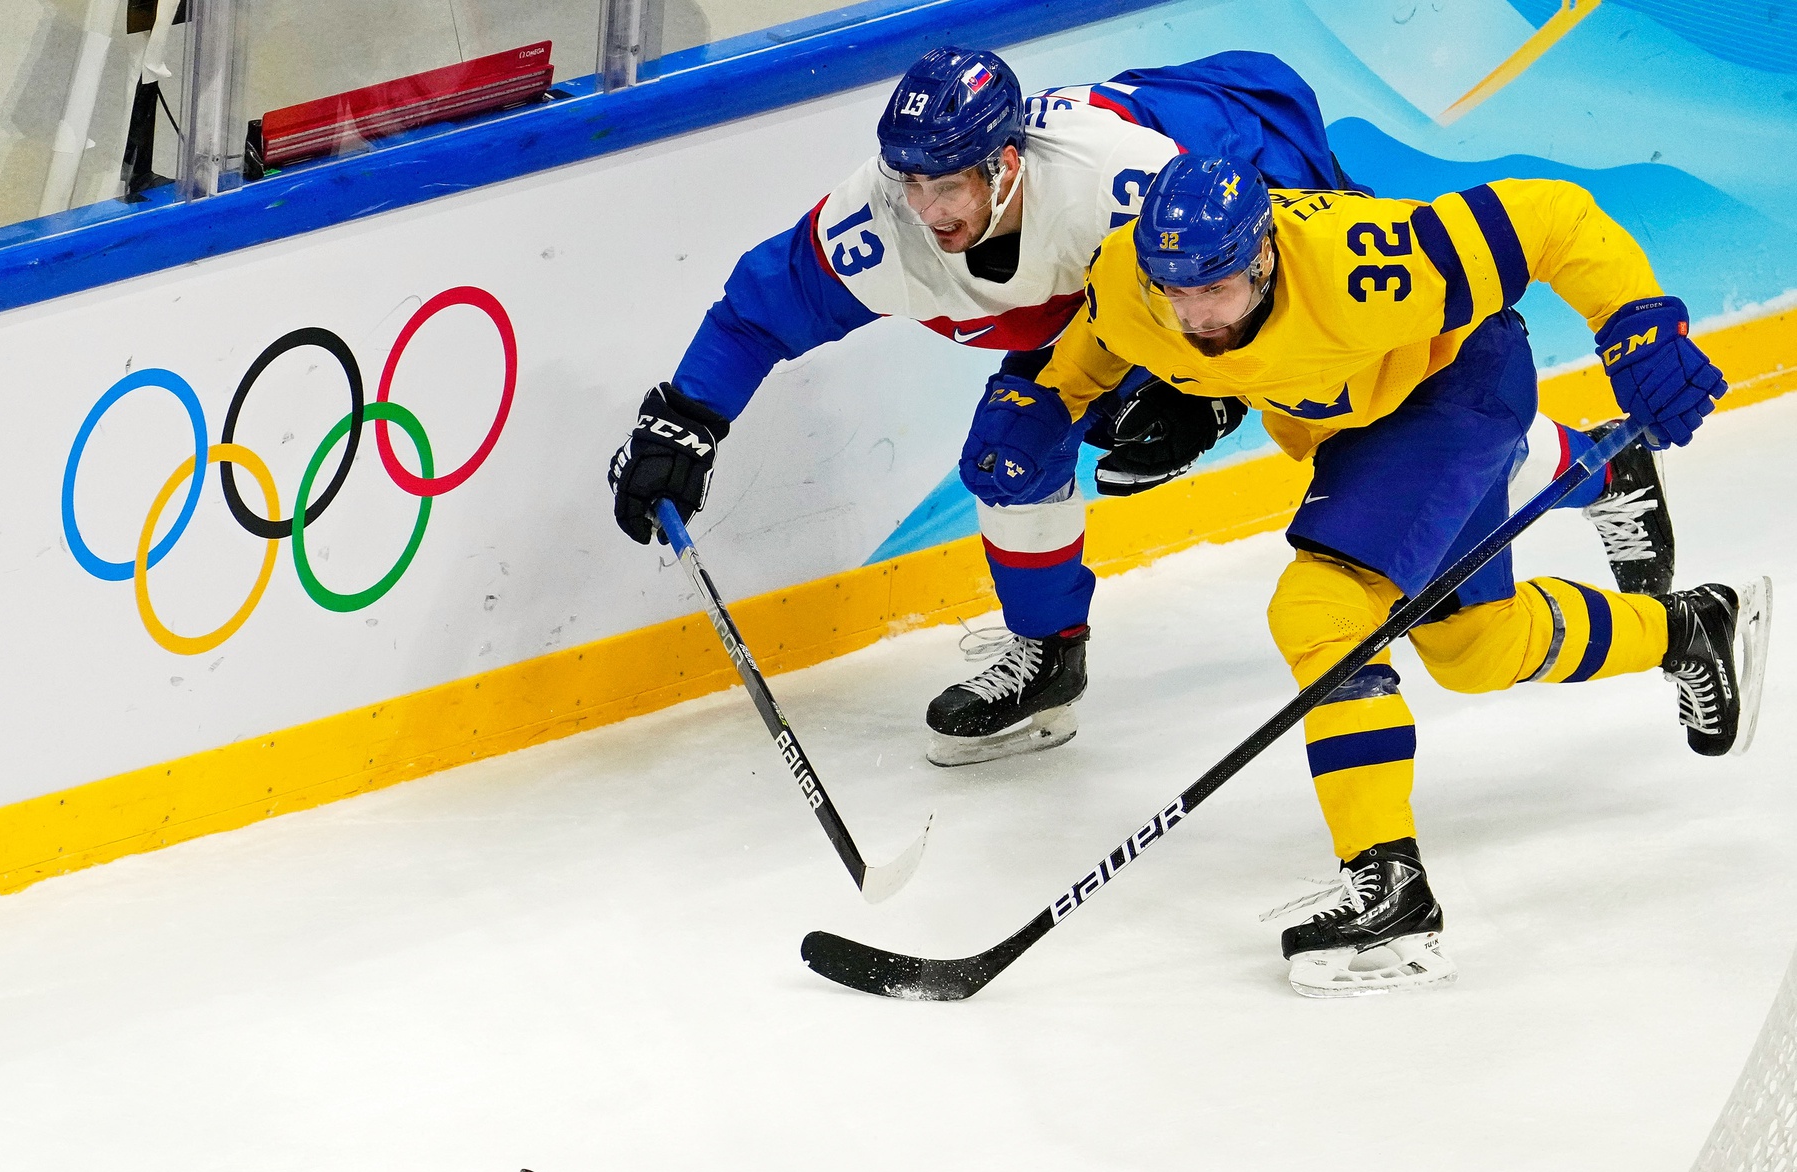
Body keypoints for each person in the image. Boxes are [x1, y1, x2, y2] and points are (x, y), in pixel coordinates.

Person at [606, 46, 1677, 767]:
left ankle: (1584, 460)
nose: (926, 210)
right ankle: (1049, 659)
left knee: (1359, 416)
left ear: (1009, 162)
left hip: (1236, 204)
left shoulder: (1124, 178)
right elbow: (757, 312)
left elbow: (1233, 272)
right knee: (1011, 445)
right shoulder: (876, 228)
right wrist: (683, 417)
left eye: (951, 185)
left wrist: (1199, 396)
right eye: (909, 181)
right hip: (1102, 308)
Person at [971, 153, 1768, 997]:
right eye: (1175, 291)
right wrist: (1046, 406)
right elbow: (1099, 342)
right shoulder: (1140, 282)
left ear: (1263, 257)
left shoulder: (1360, 263)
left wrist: (1633, 317)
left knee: (1320, 606)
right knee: (1474, 649)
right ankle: (1690, 629)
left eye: (1214, 289)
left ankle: (1392, 895)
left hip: (1457, 389)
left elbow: (1553, 217)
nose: (1193, 315)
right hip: (1359, 425)